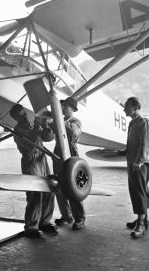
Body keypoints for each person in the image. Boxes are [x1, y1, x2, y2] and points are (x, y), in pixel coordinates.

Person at [10, 103, 57, 238]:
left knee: (49, 190)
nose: (25, 116)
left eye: (24, 113)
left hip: (42, 159)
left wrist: (46, 126)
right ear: (16, 118)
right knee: (35, 194)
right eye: (21, 115)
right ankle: (31, 227)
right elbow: (30, 146)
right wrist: (37, 127)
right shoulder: (18, 131)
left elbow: (48, 138)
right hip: (31, 161)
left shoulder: (31, 126)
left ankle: (45, 222)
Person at [117, 97, 149, 238]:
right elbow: (134, 142)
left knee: (139, 192)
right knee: (139, 191)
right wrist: (125, 151)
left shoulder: (143, 122)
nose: (124, 108)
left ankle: (141, 224)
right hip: (133, 161)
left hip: (140, 163)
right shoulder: (133, 123)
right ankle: (144, 219)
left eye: (126, 106)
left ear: (135, 107)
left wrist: (139, 161)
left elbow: (145, 144)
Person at [53, 97, 86, 230]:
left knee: (73, 187)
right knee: (59, 187)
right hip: (58, 154)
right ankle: (66, 215)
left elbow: (72, 131)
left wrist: (55, 121)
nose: (63, 108)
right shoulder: (60, 121)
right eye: (62, 106)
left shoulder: (75, 121)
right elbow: (49, 136)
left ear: (72, 109)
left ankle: (80, 218)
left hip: (71, 154)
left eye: (65, 106)